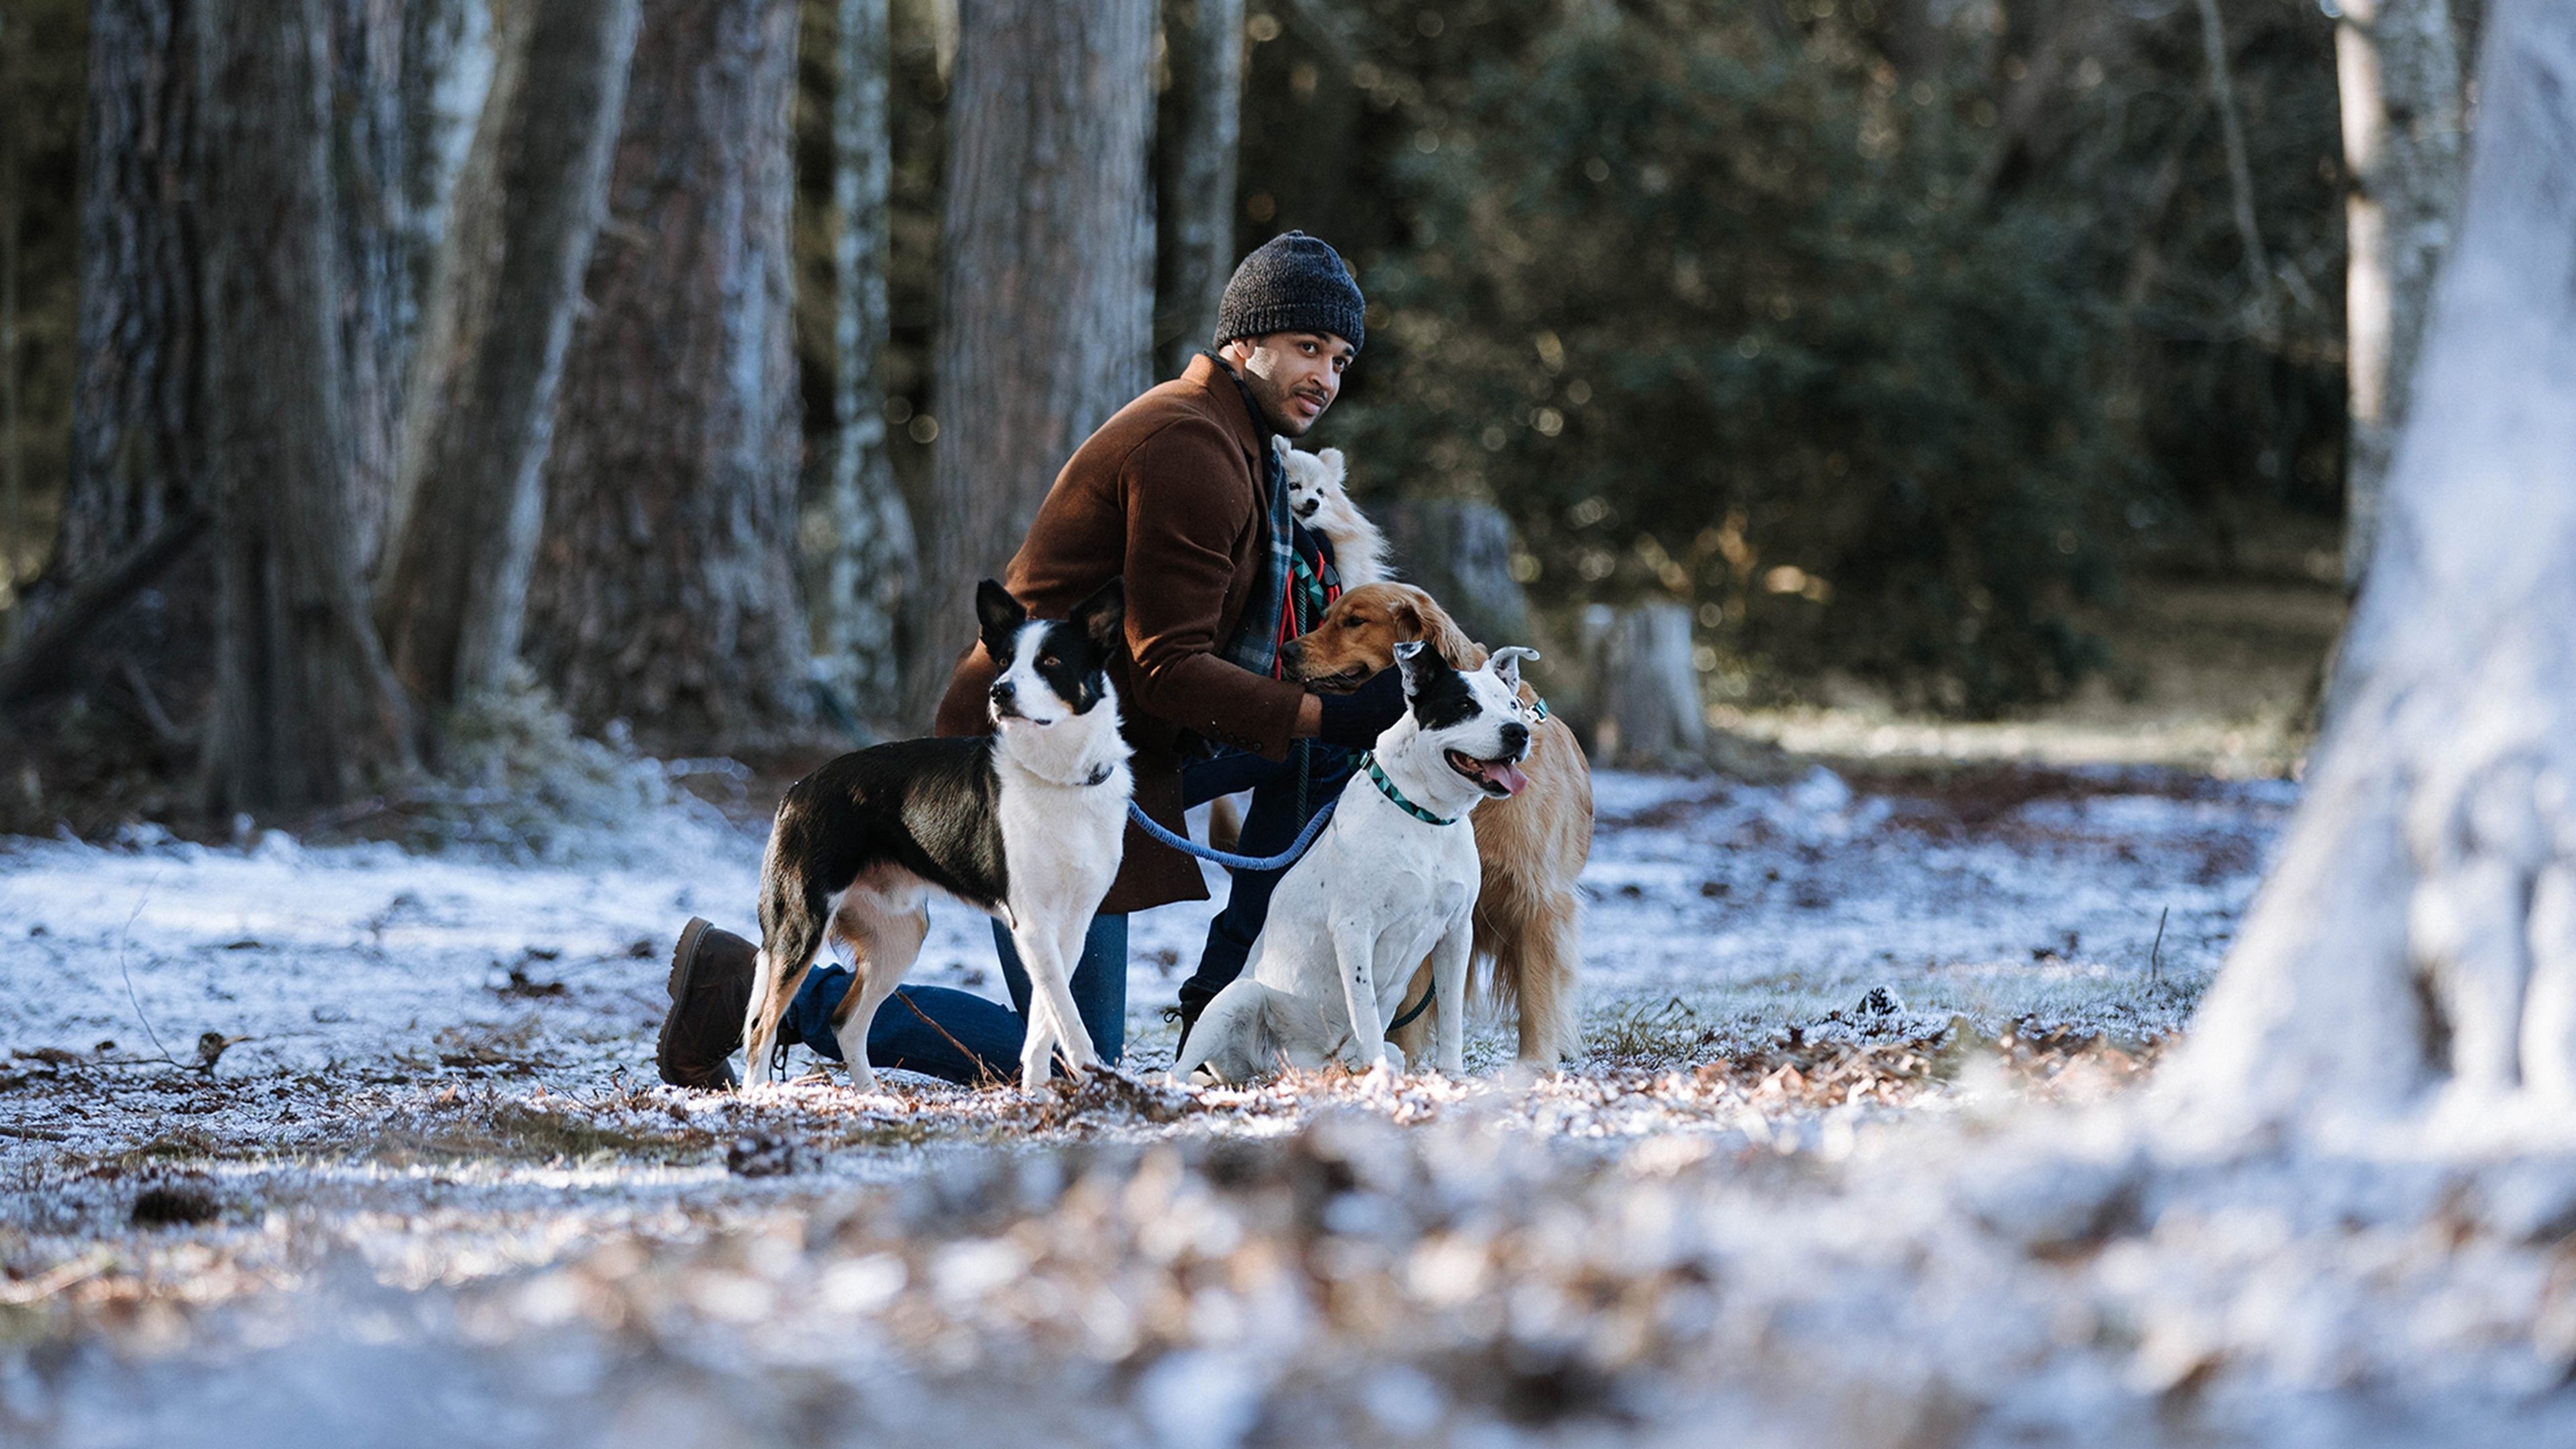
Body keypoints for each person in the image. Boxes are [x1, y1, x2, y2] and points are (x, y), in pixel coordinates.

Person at [657, 231, 1407, 1087]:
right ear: (1245, 341)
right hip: (1031, 753)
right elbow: (1165, 666)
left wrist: (1337, 708)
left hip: (1120, 746)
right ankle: (757, 993)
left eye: (1340, 359)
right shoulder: (1193, 450)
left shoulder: (1246, 447)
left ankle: (1225, 995)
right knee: (1072, 1059)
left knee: (1314, 755)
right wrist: (1327, 710)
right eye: (1307, 347)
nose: (1325, 377)